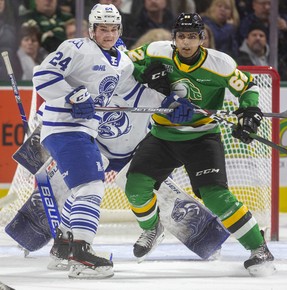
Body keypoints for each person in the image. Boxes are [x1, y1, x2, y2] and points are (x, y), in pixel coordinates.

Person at [124, 12, 276, 277]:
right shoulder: (156, 51)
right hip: (163, 134)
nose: (186, 42)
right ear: (174, 37)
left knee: (216, 197)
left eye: (192, 36)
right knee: (135, 186)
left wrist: (249, 113)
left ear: (202, 39)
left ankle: (258, 248)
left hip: (201, 137)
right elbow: (122, 63)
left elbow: (248, 86)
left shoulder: (220, 64)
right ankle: (151, 228)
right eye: (181, 36)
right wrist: (145, 73)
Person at [32, 3, 162, 279]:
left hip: (85, 131)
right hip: (64, 126)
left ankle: (63, 246)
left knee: (84, 187)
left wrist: (169, 98)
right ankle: (81, 254)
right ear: (92, 30)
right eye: (103, 28)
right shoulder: (76, 48)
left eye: (113, 28)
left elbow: (134, 90)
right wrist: (73, 95)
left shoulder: (123, 60)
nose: (108, 34)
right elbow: (42, 76)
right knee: (91, 186)